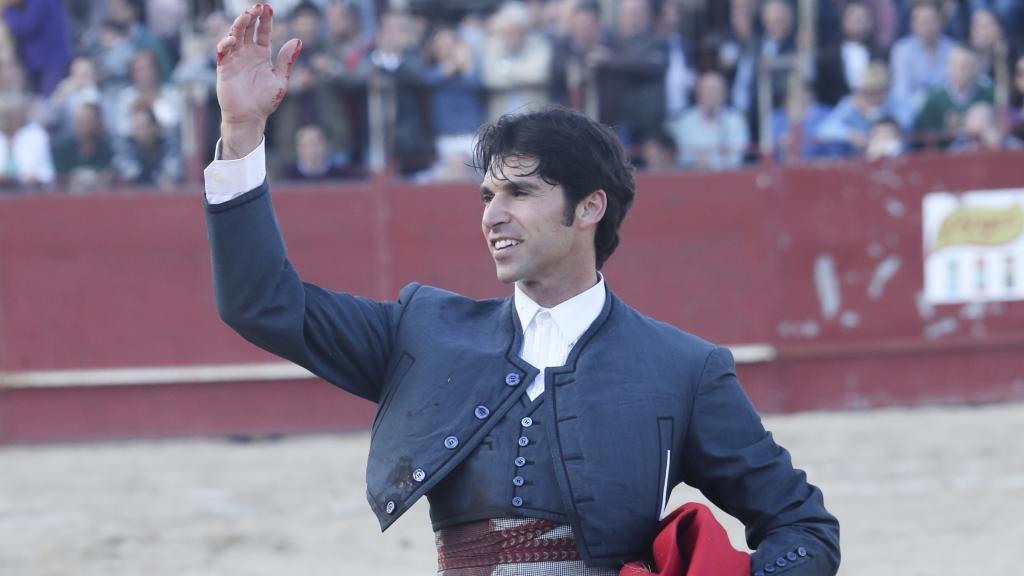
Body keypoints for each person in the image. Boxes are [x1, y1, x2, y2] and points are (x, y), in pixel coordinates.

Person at [205, 5, 841, 575]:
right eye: (488, 195)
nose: (492, 215)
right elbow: (262, 304)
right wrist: (240, 134)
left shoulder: (684, 370)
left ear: (589, 207)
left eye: (520, 193)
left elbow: (805, 531)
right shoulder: (421, 330)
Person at [667, 70, 750, 170]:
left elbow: (737, 156)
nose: (711, 94)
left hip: (727, 178)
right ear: (698, 94)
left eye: (715, 90)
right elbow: (684, 155)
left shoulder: (736, 121)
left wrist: (710, 164)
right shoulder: (685, 121)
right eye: (707, 90)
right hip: (692, 177)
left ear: (724, 94)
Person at [913, 45, 994, 148]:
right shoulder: (934, 99)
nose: (960, 70)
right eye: (956, 65)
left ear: (976, 68)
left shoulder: (988, 94)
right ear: (949, 67)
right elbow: (927, 137)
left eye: (966, 66)